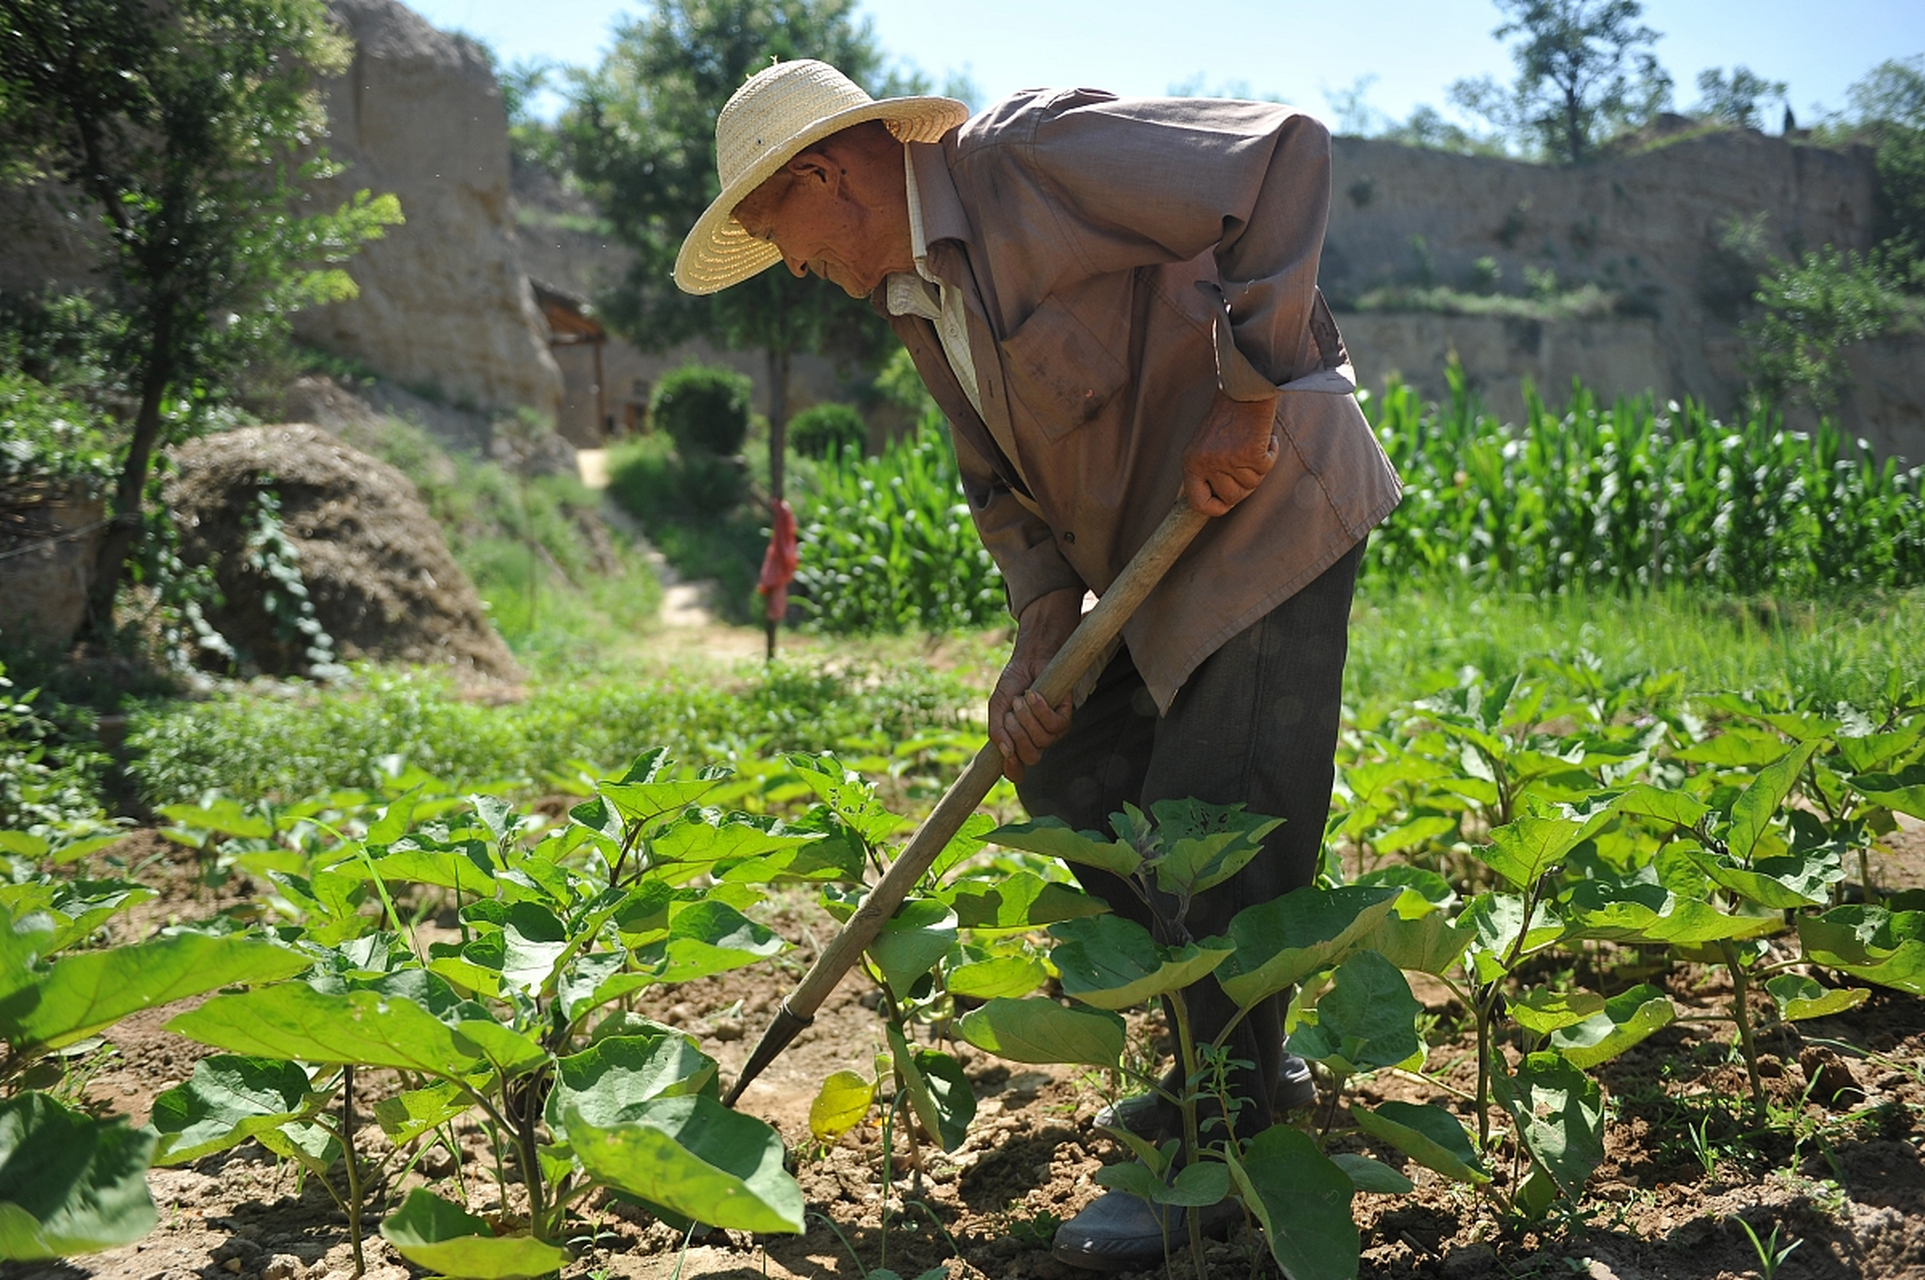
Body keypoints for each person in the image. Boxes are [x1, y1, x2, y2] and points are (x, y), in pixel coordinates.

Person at [675, 59, 1400, 1272]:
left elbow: (1282, 153)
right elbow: (998, 487)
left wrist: (1249, 388)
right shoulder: (915, 300)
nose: (791, 266)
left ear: (823, 174)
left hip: (1264, 513)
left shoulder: (1027, 161)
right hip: (1135, 566)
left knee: (1216, 822)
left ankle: (1211, 1151)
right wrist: (1034, 638)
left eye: (775, 231)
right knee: (1066, 770)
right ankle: (1237, 1062)